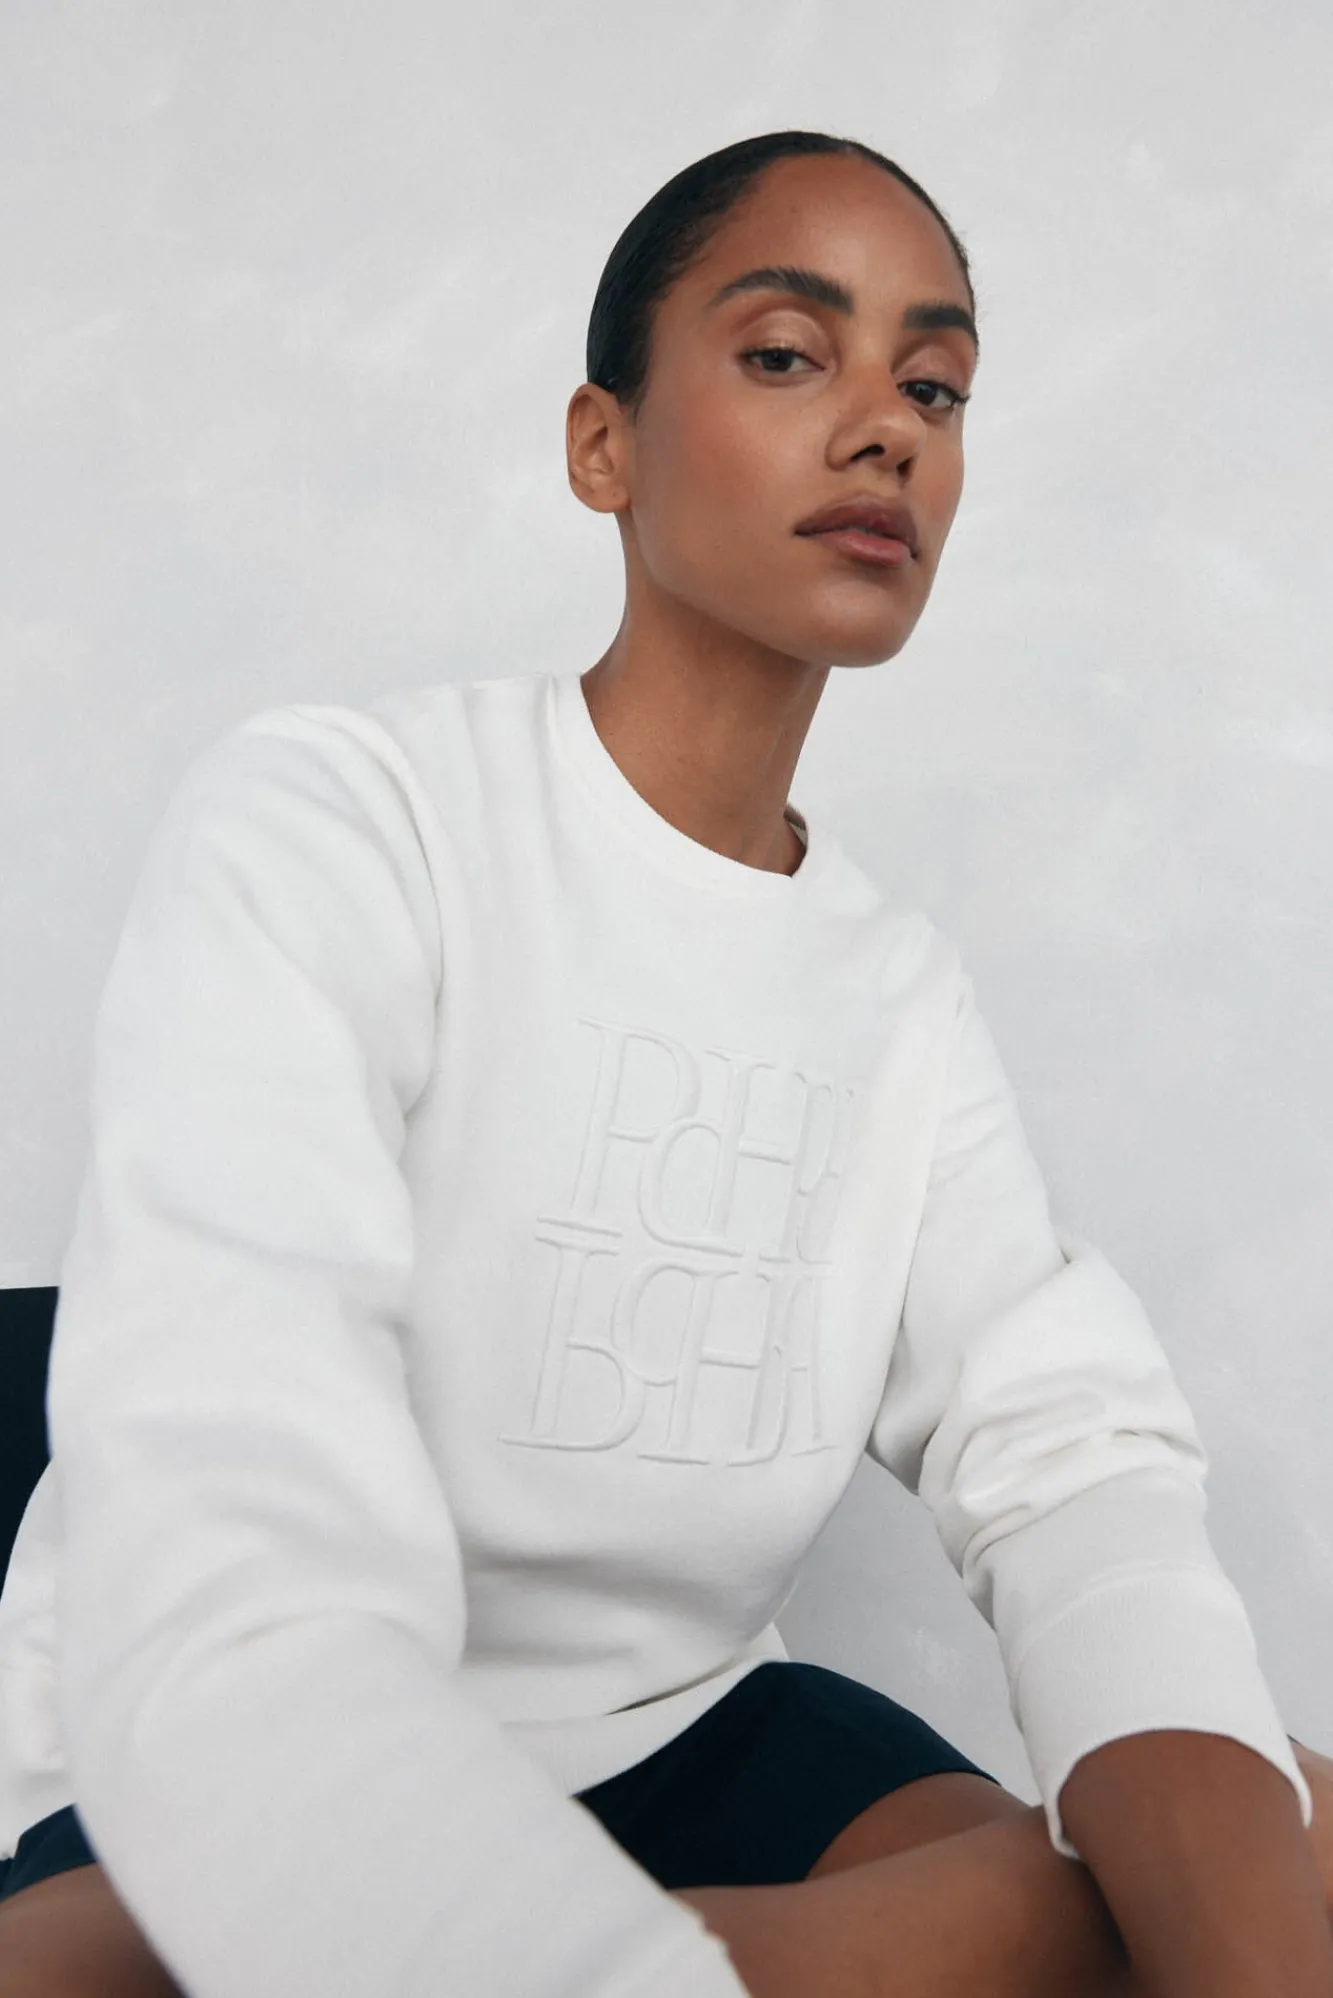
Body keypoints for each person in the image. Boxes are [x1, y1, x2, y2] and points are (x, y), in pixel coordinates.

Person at [0, 128, 1328, 1998]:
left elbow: (1072, 1467)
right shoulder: (341, 820)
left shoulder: (899, 996)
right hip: (262, 1748)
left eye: (935, 387)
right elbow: (242, 1562)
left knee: (1251, 1824)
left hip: (689, 1729)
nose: (888, 431)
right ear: (600, 444)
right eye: (789, 353)